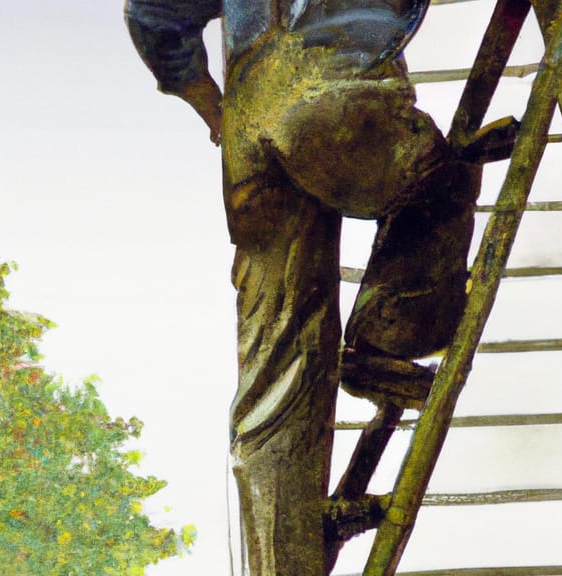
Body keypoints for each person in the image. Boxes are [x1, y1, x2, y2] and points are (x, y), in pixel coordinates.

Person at [125, 2, 479, 573]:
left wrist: (213, 106)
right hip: (335, 101)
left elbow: (152, 13)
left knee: (274, 364)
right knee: (443, 182)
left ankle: (280, 566)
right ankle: (386, 340)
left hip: (250, 124)